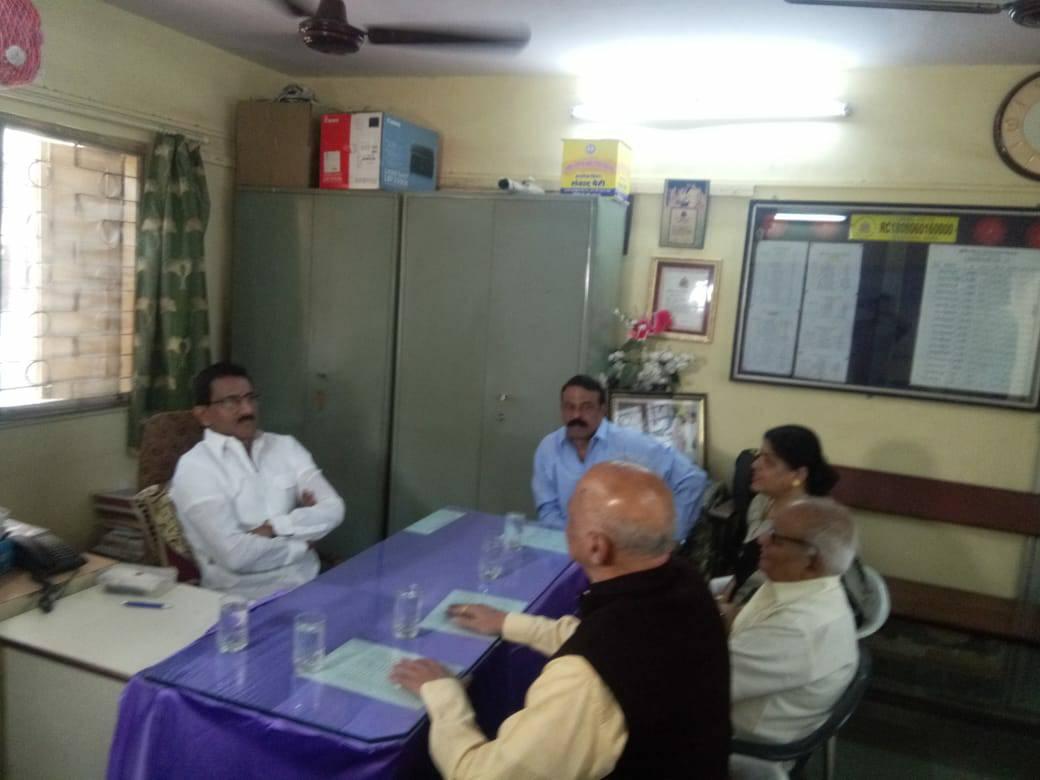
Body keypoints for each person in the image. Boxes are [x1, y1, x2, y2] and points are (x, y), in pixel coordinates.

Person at [390, 462, 730, 780]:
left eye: (572, 520)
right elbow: (606, 641)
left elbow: (479, 774)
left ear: (596, 548)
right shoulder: (684, 579)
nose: (566, 527)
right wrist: (507, 622)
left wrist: (444, 695)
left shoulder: (583, 681)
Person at [170, 362, 344, 599]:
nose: (247, 409)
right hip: (242, 600)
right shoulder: (195, 468)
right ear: (203, 415)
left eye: (250, 398)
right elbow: (236, 556)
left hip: (310, 583)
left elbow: (334, 508)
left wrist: (274, 528)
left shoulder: (286, 446)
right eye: (231, 402)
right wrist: (302, 543)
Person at [726, 497, 859, 744]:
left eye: (776, 538)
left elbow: (703, 682)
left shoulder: (798, 627)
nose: (761, 539)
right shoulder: (800, 584)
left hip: (739, 743)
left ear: (812, 561)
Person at [532, 374, 708, 541]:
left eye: (586, 407)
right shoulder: (548, 448)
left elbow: (692, 479)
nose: (576, 415)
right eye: (569, 407)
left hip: (620, 552)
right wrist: (575, 542)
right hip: (567, 546)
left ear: (602, 410)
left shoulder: (630, 444)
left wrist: (671, 538)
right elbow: (548, 509)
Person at [731, 425, 839, 590]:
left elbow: (787, 594)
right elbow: (746, 566)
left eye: (768, 461)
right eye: (759, 456)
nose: (754, 464)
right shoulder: (762, 502)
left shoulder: (807, 529)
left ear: (798, 475)